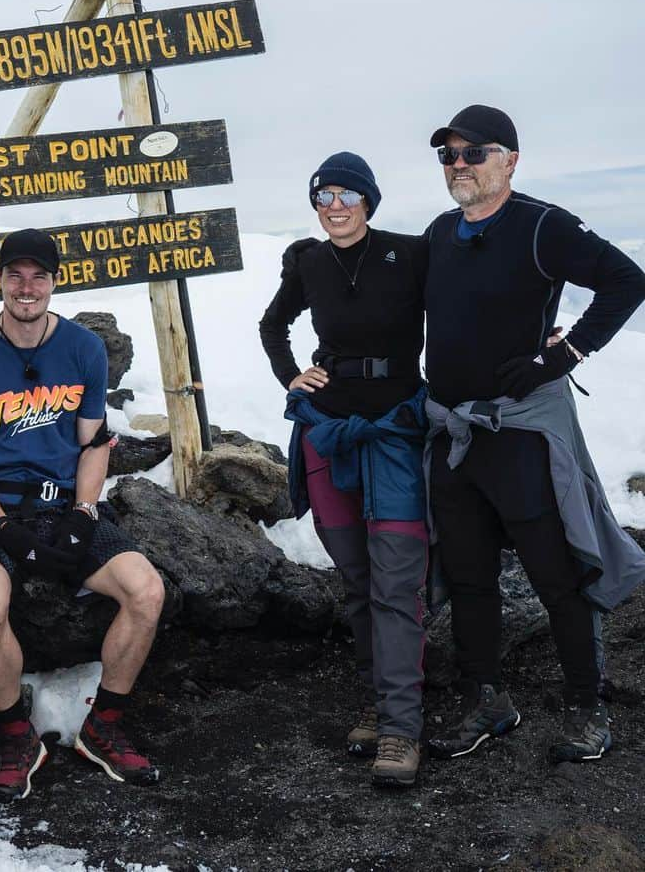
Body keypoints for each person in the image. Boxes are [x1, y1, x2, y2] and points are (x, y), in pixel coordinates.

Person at [422, 104, 645, 764]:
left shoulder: (542, 225)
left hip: (520, 432)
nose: (458, 165)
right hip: (454, 433)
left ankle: (587, 708)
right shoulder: (439, 232)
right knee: (468, 576)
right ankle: (487, 701)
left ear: (509, 160)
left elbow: (626, 280)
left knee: (558, 574)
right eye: (448, 155)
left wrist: (564, 353)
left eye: (473, 152)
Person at [0, 228, 165, 800]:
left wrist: (86, 514)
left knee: (146, 591)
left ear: (54, 282)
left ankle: (104, 726)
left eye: (38, 276)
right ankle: (18, 735)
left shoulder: (84, 349)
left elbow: (94, 444)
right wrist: (1, 529)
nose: (26, 287)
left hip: (67, 505)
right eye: (15, 275)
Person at [259, 152, 429, 788]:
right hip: (328, 433)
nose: (335, 205)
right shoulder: (308, 262)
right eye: (324, 195)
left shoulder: (410, 254)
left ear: (369, 201)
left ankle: (400, 729)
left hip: (395, 432)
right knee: (358, 579)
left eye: (347, 194)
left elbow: (470, 301)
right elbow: (274, 325)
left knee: (395, 580)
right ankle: (379, 700)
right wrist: (291, 375)